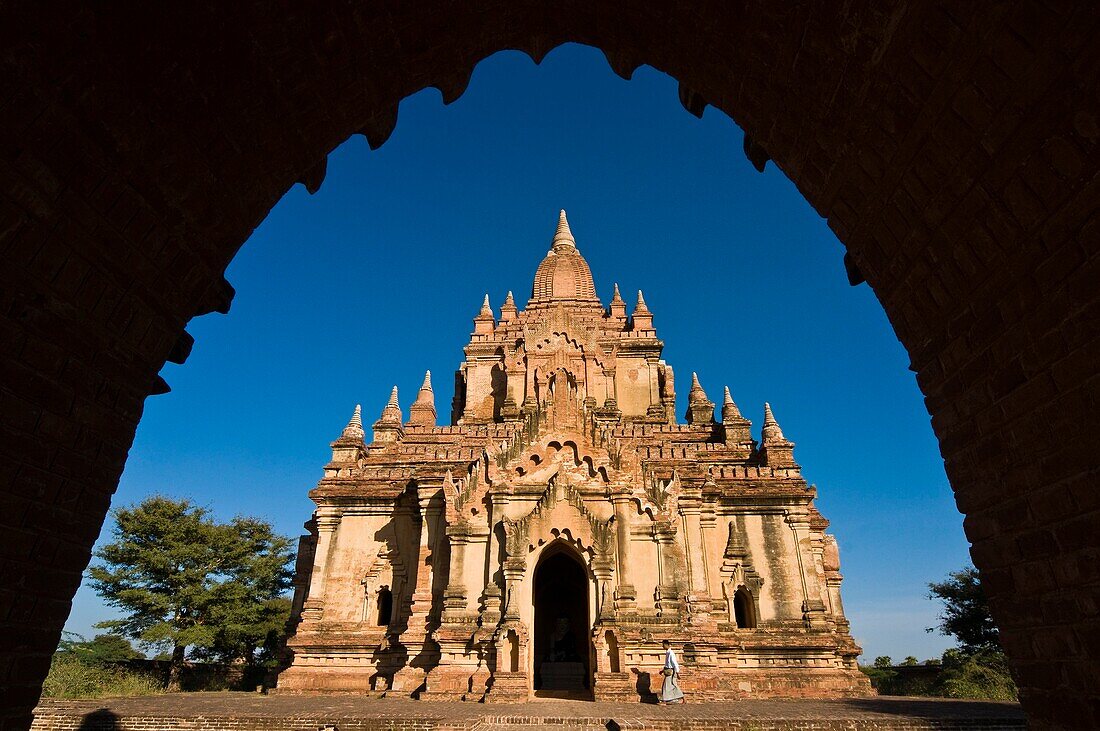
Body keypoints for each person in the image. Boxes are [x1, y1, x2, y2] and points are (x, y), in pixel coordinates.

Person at [658, 639, 684, 704]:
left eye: (663, 645)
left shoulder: (671, 653)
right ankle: (682, 698)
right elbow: (668, 664)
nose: (662, 646)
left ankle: (665, 701)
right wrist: (662, 670)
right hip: (668, 671)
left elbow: (674, 663)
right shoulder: (667, 653)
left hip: (671, 672)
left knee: (666, 686)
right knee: (672, 685)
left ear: (667, 645)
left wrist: (677, 672)